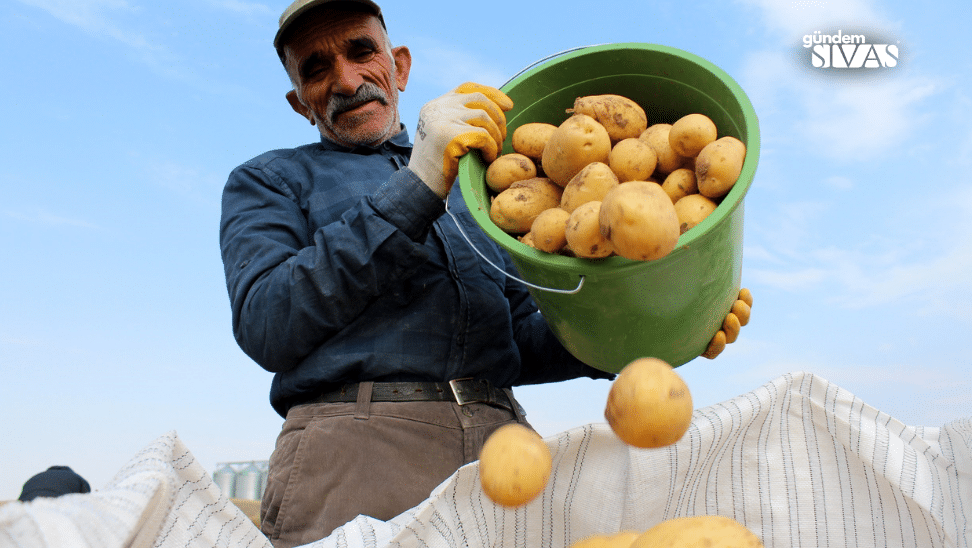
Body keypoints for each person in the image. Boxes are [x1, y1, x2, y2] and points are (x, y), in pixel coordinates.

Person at [219, 1, 746, 545]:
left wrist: (657, 326)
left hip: (504, 452)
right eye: (316, 69)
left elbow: (523, 336)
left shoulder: (482, 193)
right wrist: (418, 185)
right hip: (358, 454)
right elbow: (267, 321)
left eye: (361, 52)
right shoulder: (270, 180)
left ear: (398, 66)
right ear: (299, 102)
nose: (346, 80)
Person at [18, 465, 91, 502]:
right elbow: (86, 500)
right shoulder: (77, 478)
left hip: (26, 504)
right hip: (54, 503)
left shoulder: (34, 477)